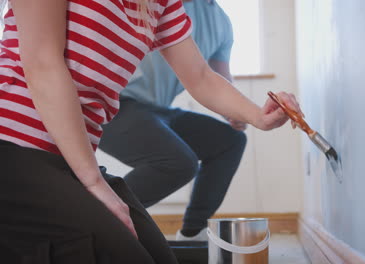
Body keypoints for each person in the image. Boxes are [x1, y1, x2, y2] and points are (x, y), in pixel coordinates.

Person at [0, 0, 301, 262]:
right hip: (12, 147)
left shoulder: (160, 4)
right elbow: (42, 63)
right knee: (111, 251)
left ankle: (188, 231)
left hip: (68, 159)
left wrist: (258, 116)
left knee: (155, 255)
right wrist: (93, 183)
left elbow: (201, 77)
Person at [99, 0, 246, 241]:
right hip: (115, 105)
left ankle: (192, 233)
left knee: (229, 141)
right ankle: (96, 221)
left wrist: (237, 111)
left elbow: (219, 78)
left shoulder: (221, 22)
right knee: (178, 162)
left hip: (158, 110)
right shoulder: (157, 5)